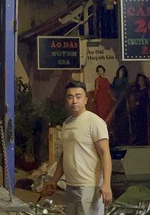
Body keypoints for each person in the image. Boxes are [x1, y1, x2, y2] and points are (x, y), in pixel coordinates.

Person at [42, 80, 113, 215]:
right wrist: (54, 180)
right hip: (70, 186)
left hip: (90, 187)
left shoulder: (95, 122)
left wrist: (106, 184)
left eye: (78, 96)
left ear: (86, 100)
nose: (74, 101)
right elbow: (65, 155)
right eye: (70, 97)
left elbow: (105, 153)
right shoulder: (67, 123)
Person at [128, 74, 150, 145]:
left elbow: (149, 101)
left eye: (142, 80)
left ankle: (147, 140)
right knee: (139, 126)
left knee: (146, 126)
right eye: (139, 80)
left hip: (146, 110)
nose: (140, 81)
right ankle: (140, 140)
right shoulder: (136, 90)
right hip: (138, 110)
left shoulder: (147, 90)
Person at [111, 66, 130, 145]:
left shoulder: (125, 80)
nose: (121, 72)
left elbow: (126, 90)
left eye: (123, 71)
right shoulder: (115, 79)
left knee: (123, 118)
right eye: (120, 70)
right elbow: (113, 88)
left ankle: (123, 138)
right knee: (116, 118)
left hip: (122, 101)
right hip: (116, 100)